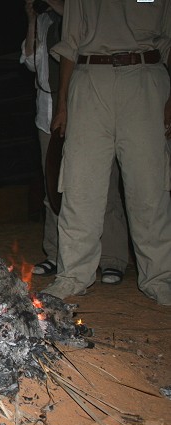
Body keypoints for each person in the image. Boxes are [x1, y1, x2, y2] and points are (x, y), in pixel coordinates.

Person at [42, 0, 171, 305]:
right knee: (79, 184)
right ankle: (73, 275)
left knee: (149, 187)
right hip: (89, 76)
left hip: (146, 75)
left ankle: (160, 278)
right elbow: (71, 41)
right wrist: (63, 105)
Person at [20, 0, 129, 284]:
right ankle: (57, 254)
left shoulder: (85, 12)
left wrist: (61, 10)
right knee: (53, 187)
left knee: (103, 186)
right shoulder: (44, 21)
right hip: (47, 114)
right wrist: (33, 19)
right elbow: (31, 62)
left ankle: (112, 258)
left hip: (86, 111)